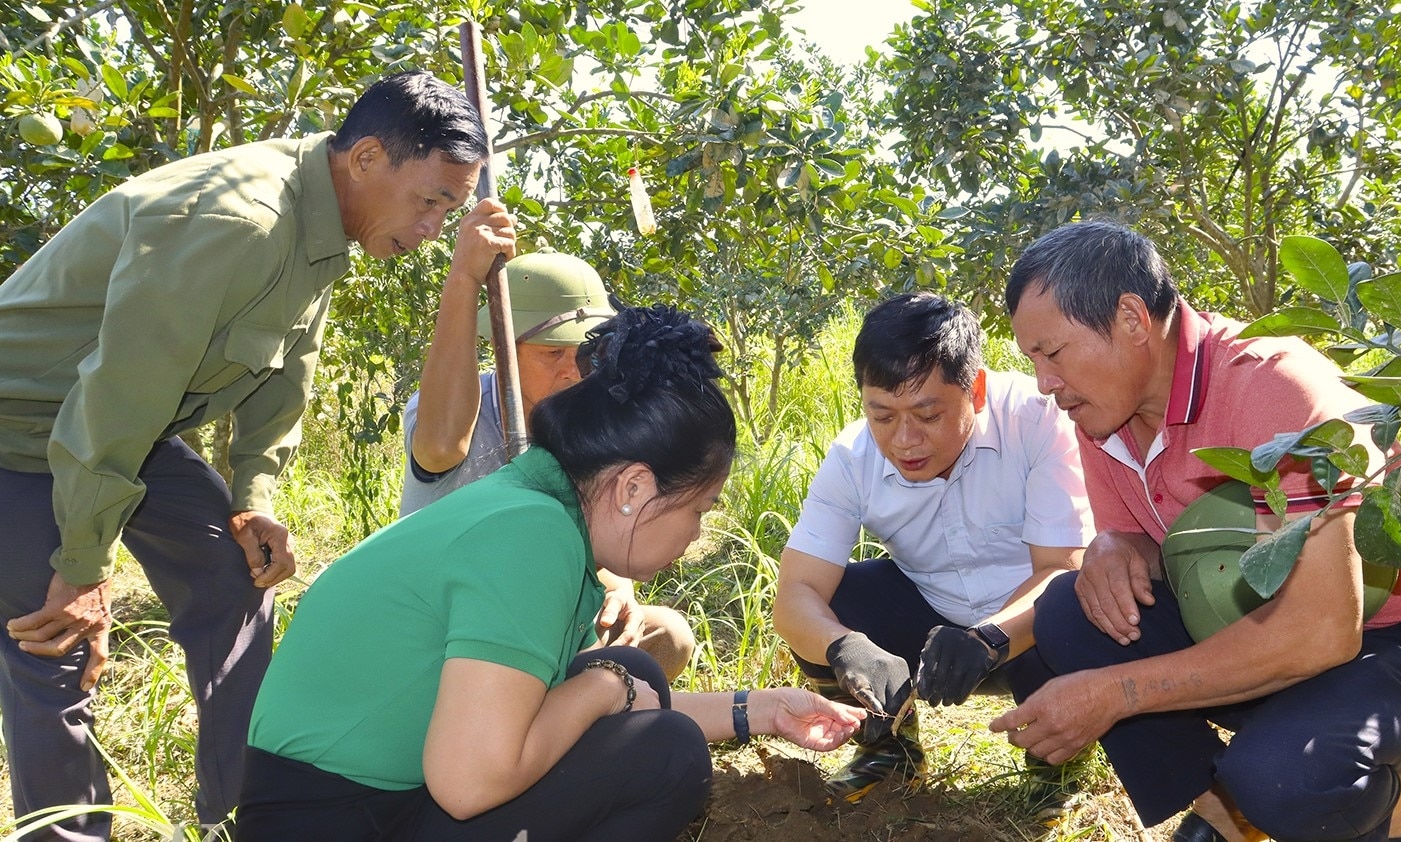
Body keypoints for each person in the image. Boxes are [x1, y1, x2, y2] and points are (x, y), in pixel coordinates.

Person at [0, 70, 515, 840]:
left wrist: (255, 498)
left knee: (238, 580)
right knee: (57, 640)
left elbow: (283, 376)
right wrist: (82, 566)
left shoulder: (329, 220)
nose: (437, 226)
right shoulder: (239, 219)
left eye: (452, 206)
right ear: (369, 158)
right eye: (433, 200)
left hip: (135, 426)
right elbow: (110, 402)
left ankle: (254, 818)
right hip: (22, 428)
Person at [238, 305, 866, 842]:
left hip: (354, 802)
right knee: (663, 750)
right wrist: (603, 690)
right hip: (339, 819)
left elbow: (609, 700)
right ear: (634, 486)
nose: (697, 532)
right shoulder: (531, 539)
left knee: (630, 670)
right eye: (698, 507)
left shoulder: (532, 507)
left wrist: (760, 708)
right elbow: (470, 782)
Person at [995, 220, 1401, 842]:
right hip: (1243, 627)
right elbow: (1149, 544)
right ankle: (1224, 808)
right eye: (1031, 360)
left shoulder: (1274, 388)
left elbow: (1321, 632)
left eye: (1054, 353)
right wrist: (1115, 544)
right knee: (1072, 610)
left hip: (1390, 645)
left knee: (1286, 778)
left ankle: (1367, 803)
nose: (1045, 384)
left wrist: (1117, 693)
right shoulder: (1103, 413)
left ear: (1132, 319)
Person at [771, 292, 1093, 803]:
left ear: (977, 390)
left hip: (1029, 628)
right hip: (928, 624)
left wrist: (986, 638)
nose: (904, 440)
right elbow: (794, 596)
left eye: (927, 414)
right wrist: (845, 647)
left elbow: (1061, 570)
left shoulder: (1037, 422)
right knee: (836, 600)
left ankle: (1055, 768)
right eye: (882, 416)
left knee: (1074, 607)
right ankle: (888, 752)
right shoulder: (853, 458)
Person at [399, 249, 696, 680]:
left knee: (666, 637)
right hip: (448, 626)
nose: (572, 372)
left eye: (584, 353)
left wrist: (618, 588)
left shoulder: (593, 422)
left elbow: (597, 534)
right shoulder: (448, 414)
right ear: (505, 350)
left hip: (544, 616)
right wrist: (464, 276)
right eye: (551, 353)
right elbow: (439, 448)